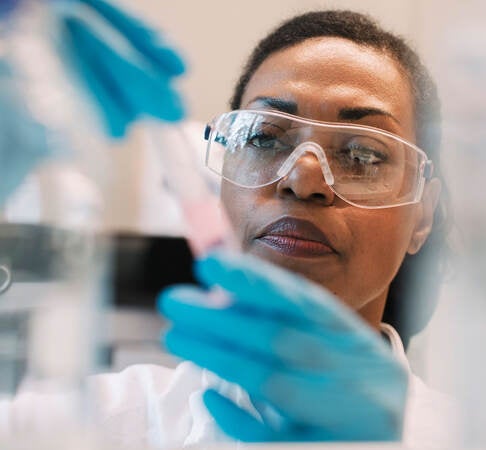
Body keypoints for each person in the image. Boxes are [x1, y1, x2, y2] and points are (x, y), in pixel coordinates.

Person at [1, 8, 455, 448]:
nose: (303, 180)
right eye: (263, 138)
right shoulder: (95, 425)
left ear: (422, 216)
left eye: (363, 155)